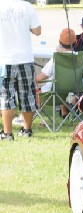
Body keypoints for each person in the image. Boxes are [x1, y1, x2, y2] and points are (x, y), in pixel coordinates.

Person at [0, 0, 42, 140]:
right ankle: (27, 130)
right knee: (27, 95)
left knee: (6, 97)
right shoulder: (27, 6)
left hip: (5, 59)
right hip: (25, 58)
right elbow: (37, 31)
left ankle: (7, 133)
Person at [35, 28, 78, 119]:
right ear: (76, 42)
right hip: (73, 90)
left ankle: (34, 113)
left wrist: (33, 80)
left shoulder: (57, 57)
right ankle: (64, 112)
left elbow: (41, 77)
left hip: (53, 92)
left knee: (36, 85)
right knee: (62, 84)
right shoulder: (79, 57)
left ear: (59, 41)